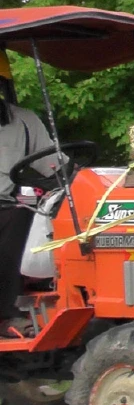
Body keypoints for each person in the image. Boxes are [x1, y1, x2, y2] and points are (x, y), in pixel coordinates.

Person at [0, 51, 57, 338]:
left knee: (35, 214)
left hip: (8, 202)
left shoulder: (23, 120)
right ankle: (5, 313)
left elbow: (51, 163)